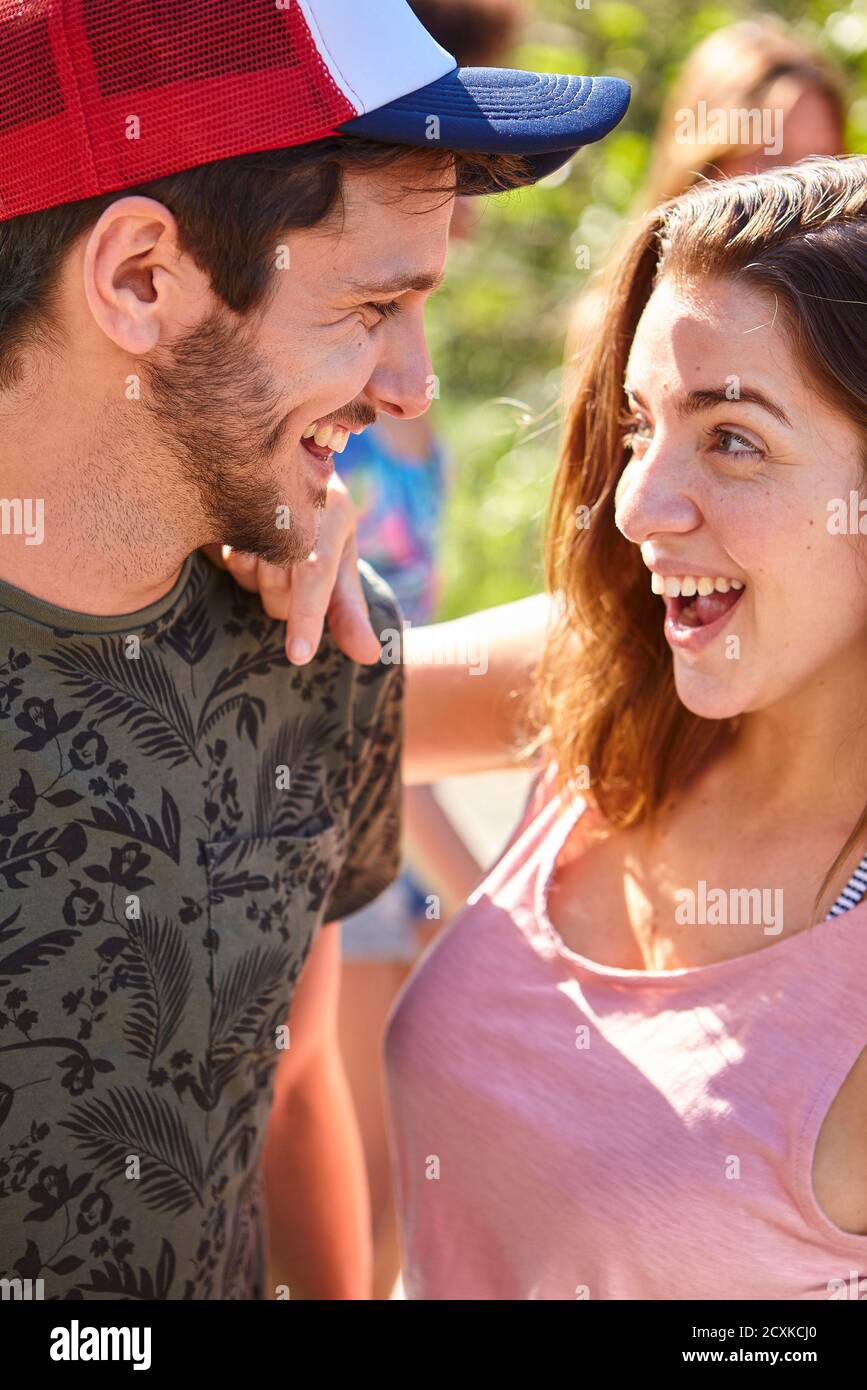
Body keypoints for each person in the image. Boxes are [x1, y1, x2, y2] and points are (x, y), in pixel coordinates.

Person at [0, 0, 629, 1300]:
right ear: (139, 280)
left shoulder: (312, 648)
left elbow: (283, 1084)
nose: (411, 386)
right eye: (369, 306)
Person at [240, 154, 867, 1298]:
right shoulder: (609, 671)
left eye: (732, 438)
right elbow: (262, 705)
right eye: (642, 425)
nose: (638, 505)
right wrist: (269, 534)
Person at [335, 0, 525, 1302]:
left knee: (394, 1199)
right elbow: (354, 681)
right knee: (353, 1211)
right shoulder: (324, 413)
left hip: (390, 842)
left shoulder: (416, 404)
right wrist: (478, 885)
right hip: (351, 850)